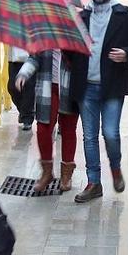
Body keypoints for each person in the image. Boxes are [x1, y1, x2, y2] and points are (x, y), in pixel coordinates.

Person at [69, 0, 128, 203]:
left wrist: (127, 54)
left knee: (110, 133)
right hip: (86, 86)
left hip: (112, 85)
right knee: (89, 137)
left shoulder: (124, 14)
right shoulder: (81, 17)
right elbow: (69, 51)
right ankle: (94, 183)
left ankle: (115, 167)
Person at [15, 49, 81, 192]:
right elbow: (34, 57)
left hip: (69, 87)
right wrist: (23, 74)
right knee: (43, 129)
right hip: (47, 87)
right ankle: (47, 172)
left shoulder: (75, 32)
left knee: (69, 130)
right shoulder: (45, 33)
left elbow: (84, 59)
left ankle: (66, 174)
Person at [7, 46, 35, 130]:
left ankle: (27, 118)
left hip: (30, 59)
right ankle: (23, 112)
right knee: (12, 87)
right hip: (14, 59)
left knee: (29, 89)